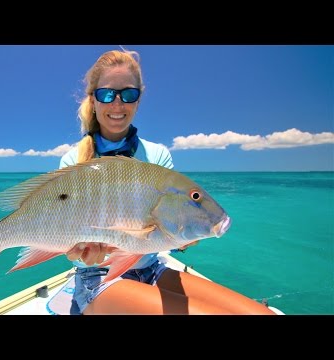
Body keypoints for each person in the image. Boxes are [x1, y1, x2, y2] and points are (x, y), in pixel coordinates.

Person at [60, 48, 276, 315]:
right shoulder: (73, 161)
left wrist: (184, 236)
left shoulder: (157, 155)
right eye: (107, 94)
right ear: (93, 100)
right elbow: (68, 246)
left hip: (151, 269)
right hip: (96, 277)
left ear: (139, 99)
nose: (118, 104)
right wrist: (79, 255)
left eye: (128, 94)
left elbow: (164, 228)